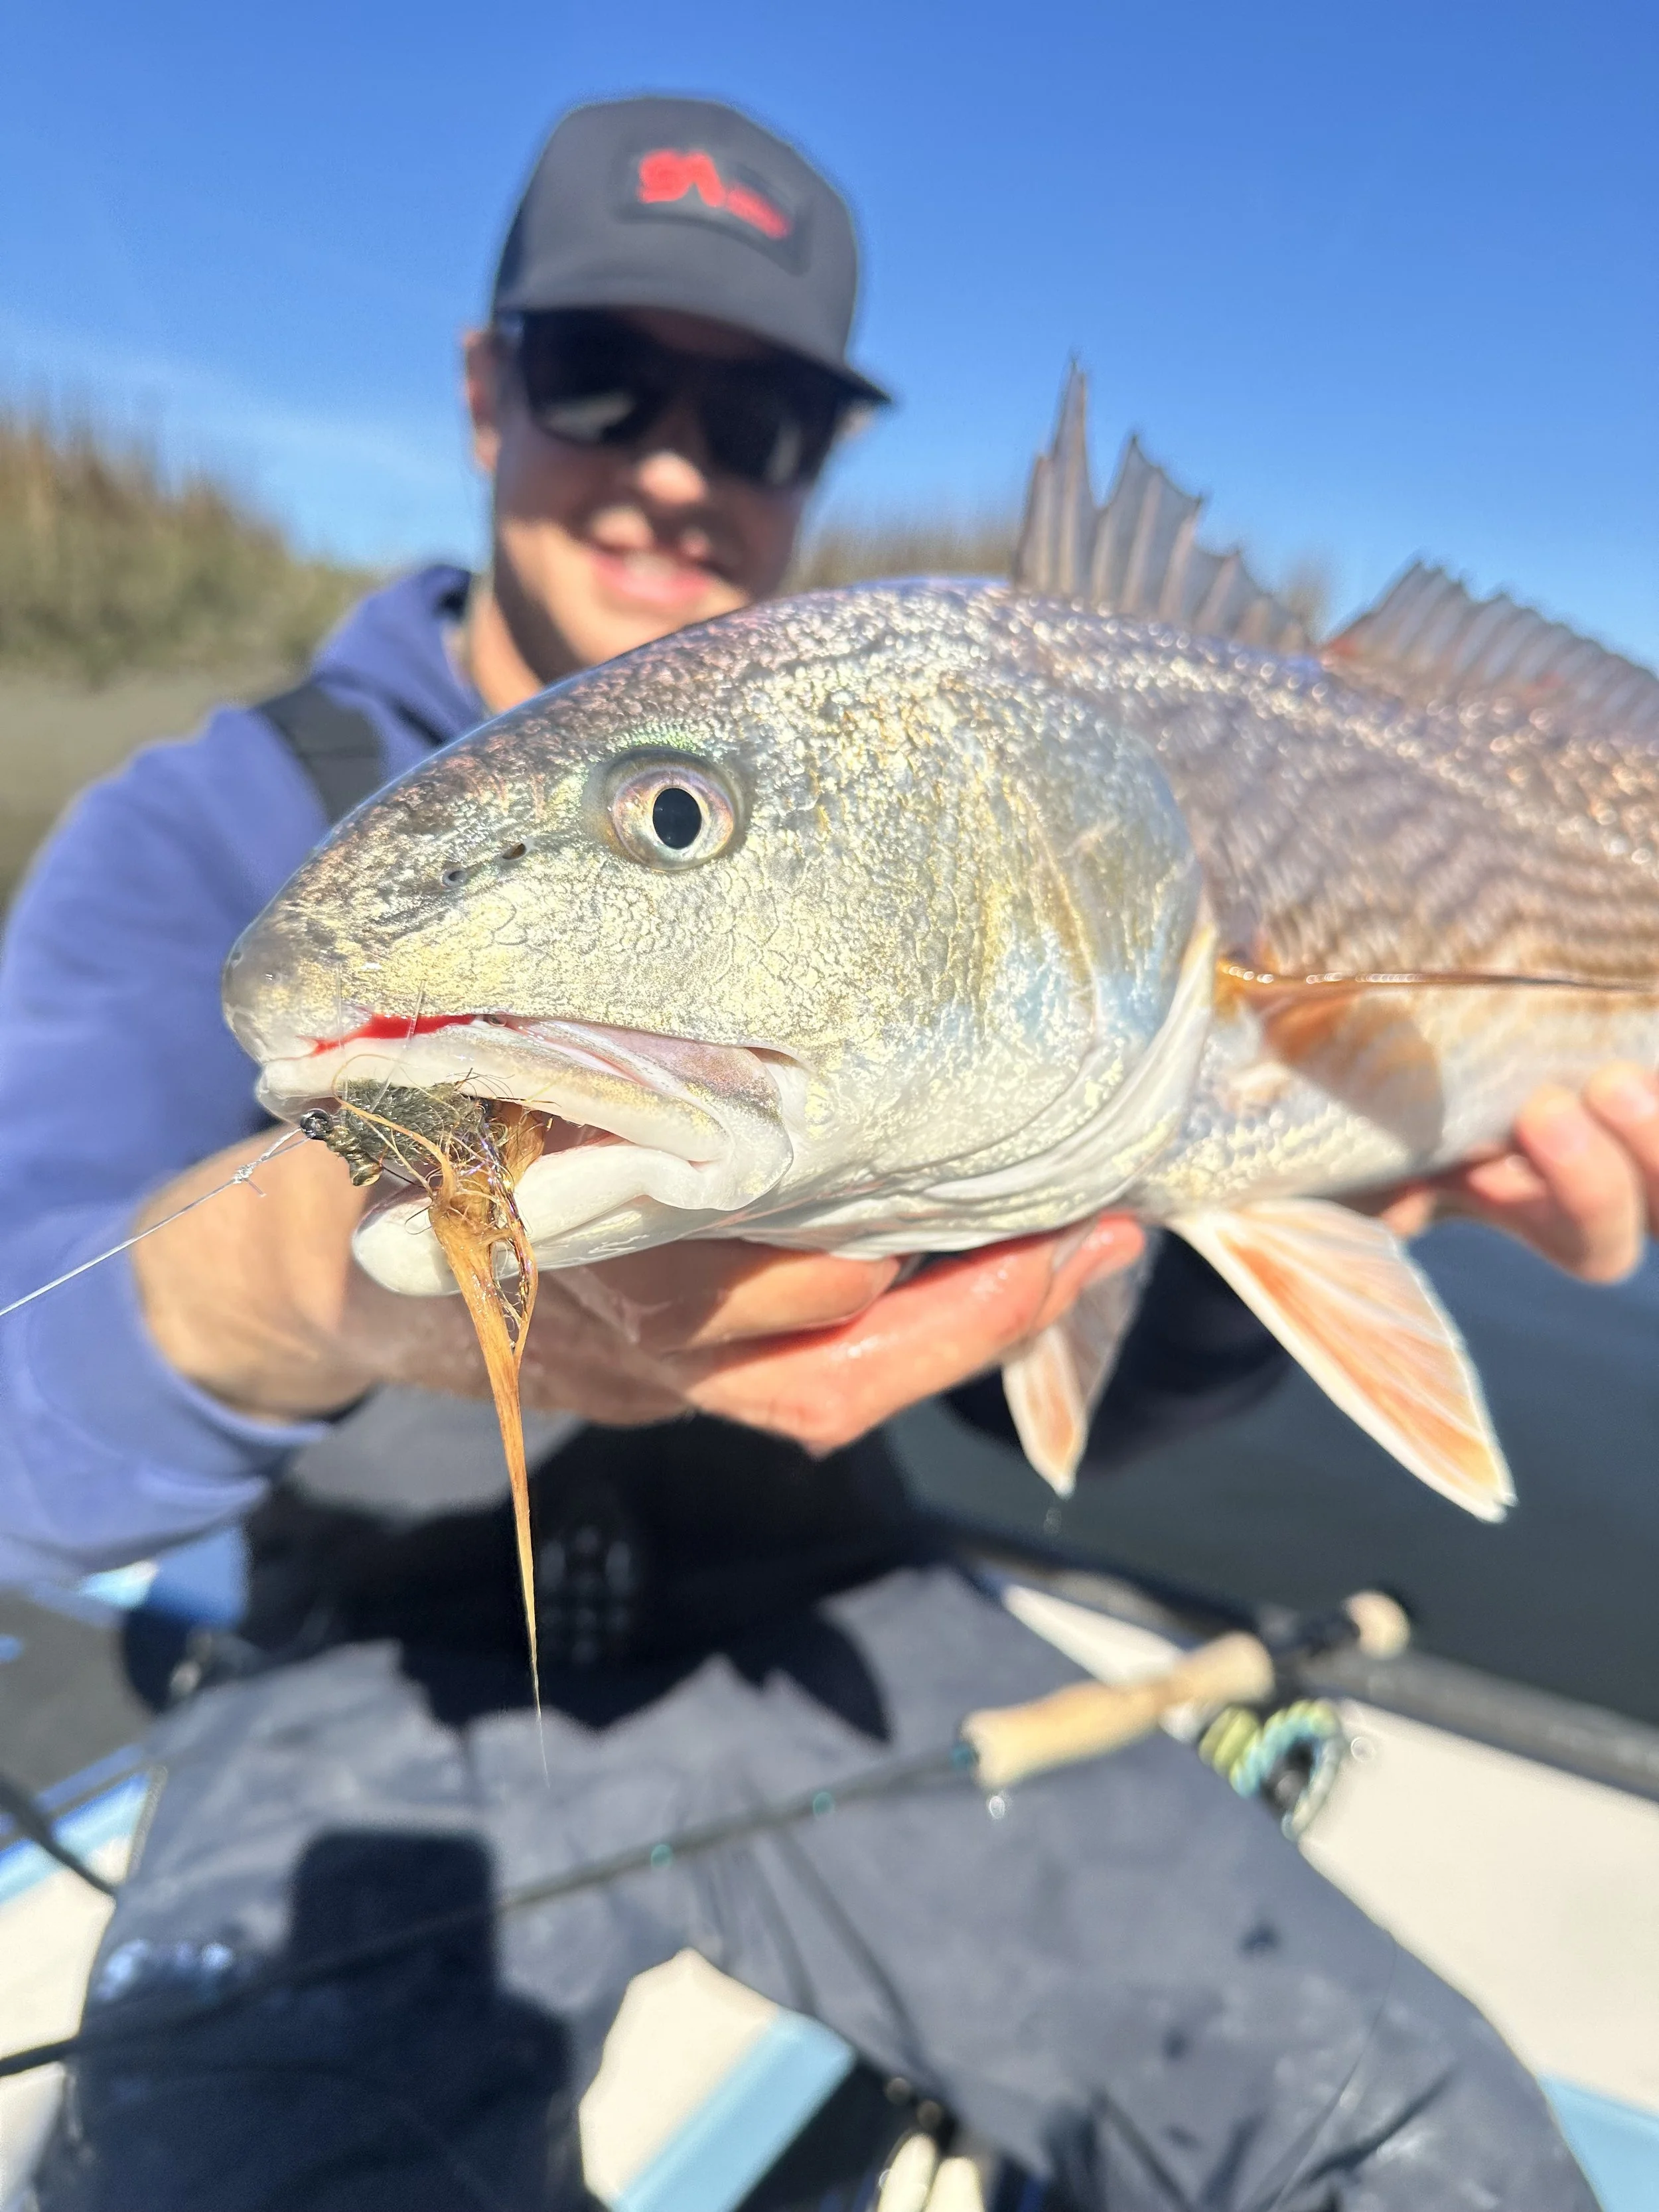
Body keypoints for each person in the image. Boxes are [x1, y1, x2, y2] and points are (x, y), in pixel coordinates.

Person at [0, 92, 1652, 2212]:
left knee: (1446, 2168)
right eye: (605, 376)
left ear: (823, 460)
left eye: (761, 415)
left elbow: (1068, 1378)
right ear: (485, 384)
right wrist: (314, 1271)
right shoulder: (205, 830)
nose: (677, 468)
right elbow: (23, 1453)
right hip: (369, 1674)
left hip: (840, 1616)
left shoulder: (1013, 763)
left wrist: (1364, 1175)